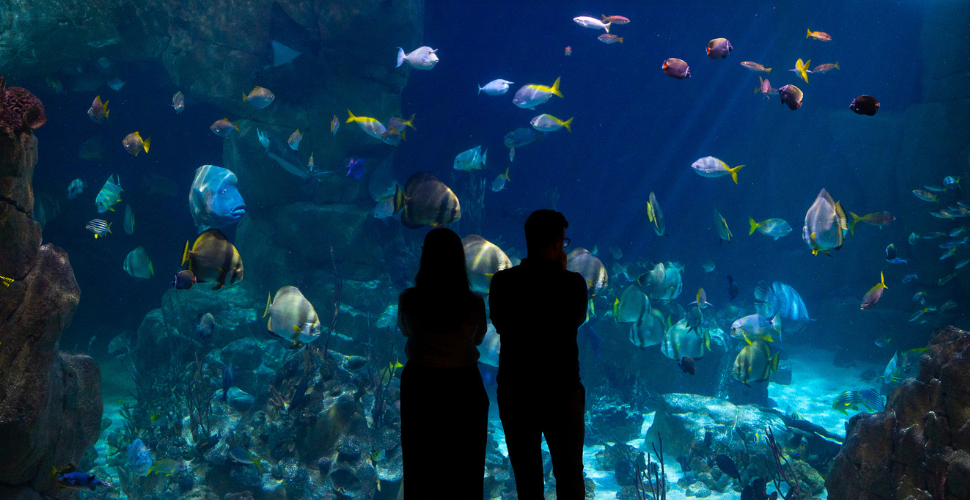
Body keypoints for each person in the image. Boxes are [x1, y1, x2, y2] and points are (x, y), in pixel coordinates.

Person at [488, 209, 589, 499]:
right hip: (563, 392)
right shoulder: (573, 284)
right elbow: (577, 319)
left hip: (517, 392)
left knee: (527, 477)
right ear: (558, 244)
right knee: (570, 474)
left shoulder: (502, 282)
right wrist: (562, 272)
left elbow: (499, 322)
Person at [398, 227, 489, 498]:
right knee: (465, 466)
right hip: (464, 387)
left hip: (421, 386)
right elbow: (480, 338)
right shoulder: (474, 303)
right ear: (459, 260)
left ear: (425, 258)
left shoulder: (409, 300)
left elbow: (405, 330)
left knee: (420, 464)